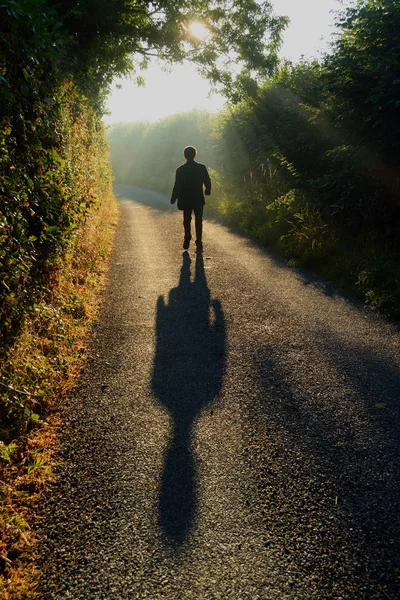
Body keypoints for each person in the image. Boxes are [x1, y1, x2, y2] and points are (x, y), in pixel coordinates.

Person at [170, 145, 211, 251]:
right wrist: (207, 190)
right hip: (198, 198)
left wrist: (174, 197)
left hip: (185, 198)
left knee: (187, 219)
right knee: (198, 220)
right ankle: (199, 241)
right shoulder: (201, 168)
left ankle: (187, 236)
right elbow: (207, 180)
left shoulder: (180, 170)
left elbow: (177, 185)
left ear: (184, 156)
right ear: (195, 155)